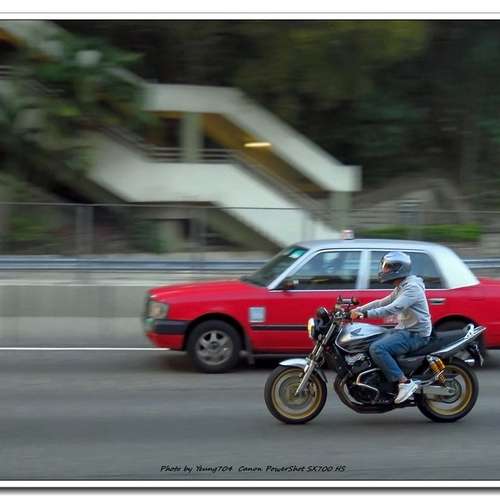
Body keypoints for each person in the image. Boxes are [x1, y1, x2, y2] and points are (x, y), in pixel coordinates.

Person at [350, 251, 432, 404]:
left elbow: (393, 308)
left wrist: (364, 314)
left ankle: (404, 382)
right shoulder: (402, 286)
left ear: (398, 268)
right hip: (404, 329)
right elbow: (382, 302)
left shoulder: (412, 288)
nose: (383, 270)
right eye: (384, 267)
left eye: (387, 267)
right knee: (371, 340)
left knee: (378, 348)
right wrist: (358, 310)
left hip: (416, 334)